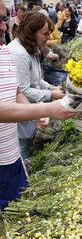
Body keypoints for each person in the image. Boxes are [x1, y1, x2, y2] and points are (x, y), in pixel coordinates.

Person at [0, 44, 73, 210]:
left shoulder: (5, 52)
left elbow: (17, 92)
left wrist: (36, 115)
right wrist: (46, 108)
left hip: (12, 156)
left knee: (14, 212)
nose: (4, 28)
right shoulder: (18, 53)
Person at [7, 11, 64, 159]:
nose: (47, 38)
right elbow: (22, 90)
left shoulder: (31, 48)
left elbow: (37, 80)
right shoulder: (20, 54)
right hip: (19, 117)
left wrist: (52, 88)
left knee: (26, 145)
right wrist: (51, 95)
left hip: (29, 112)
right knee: (21, 151)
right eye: (44, 34)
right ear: (31, 32)